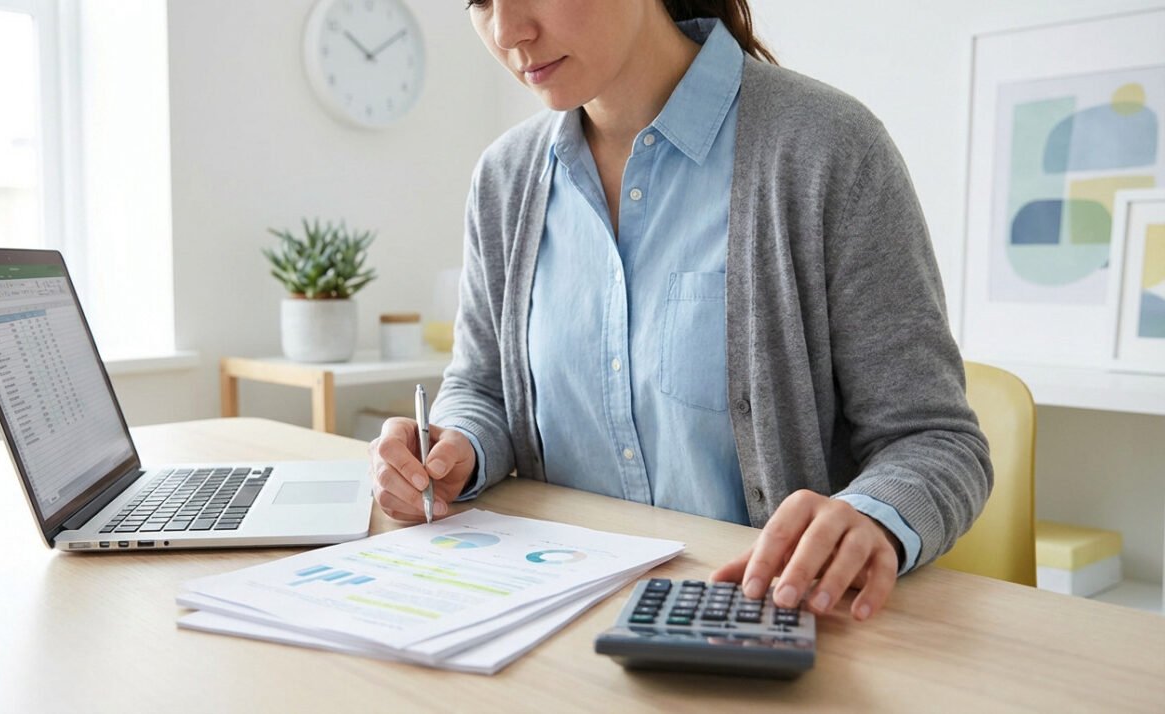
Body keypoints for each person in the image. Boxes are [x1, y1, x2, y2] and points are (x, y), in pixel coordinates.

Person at [369, 0, 991, 621]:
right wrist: (455, 447)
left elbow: (934, 439)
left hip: (759, 626)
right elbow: (483, 388)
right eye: (478, 0)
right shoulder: (504, 180)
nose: (507, 31)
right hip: (548, 619)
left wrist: (869, 517)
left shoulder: (827, 150)